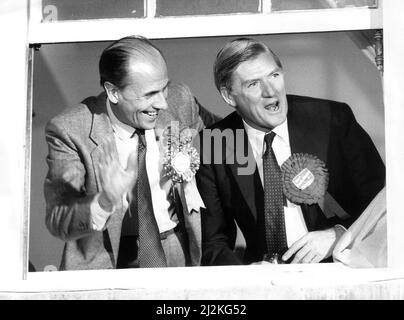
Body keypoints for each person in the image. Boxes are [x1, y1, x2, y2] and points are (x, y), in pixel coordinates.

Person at [196, 37, 385, 266]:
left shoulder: (331, 119)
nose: (270, 91)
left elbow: (383, 202)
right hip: (266, 285)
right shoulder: (216, 141)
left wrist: (339, 234)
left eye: (274, 75)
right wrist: (246, 274)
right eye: (253, 84)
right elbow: (214, 243)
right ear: (229, 96)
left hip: (341, 268)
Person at [44, 35, 219, 270]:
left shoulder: (180, 100)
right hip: (108, 261)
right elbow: (59, 220)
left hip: (177, 250)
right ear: (113, 92)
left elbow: (227, 137)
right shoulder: (70, 130)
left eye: (164, 88)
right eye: (149, 94)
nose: (163, 104)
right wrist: (105, 200)